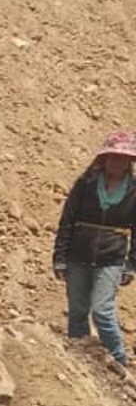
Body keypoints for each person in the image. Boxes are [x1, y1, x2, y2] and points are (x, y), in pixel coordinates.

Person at [53, 131, 136, 376]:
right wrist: (60, 257)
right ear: (104, 158)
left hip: (111, 258)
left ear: (129, 162)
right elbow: (67, 220)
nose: (117, 163)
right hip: (77, 254)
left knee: (102, 311)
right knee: (78, 311)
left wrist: (132, 264)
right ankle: (79, 360)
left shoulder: (133, 192)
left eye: (123, 158)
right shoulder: (86, 184)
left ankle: (120, 362)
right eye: (113, 157)